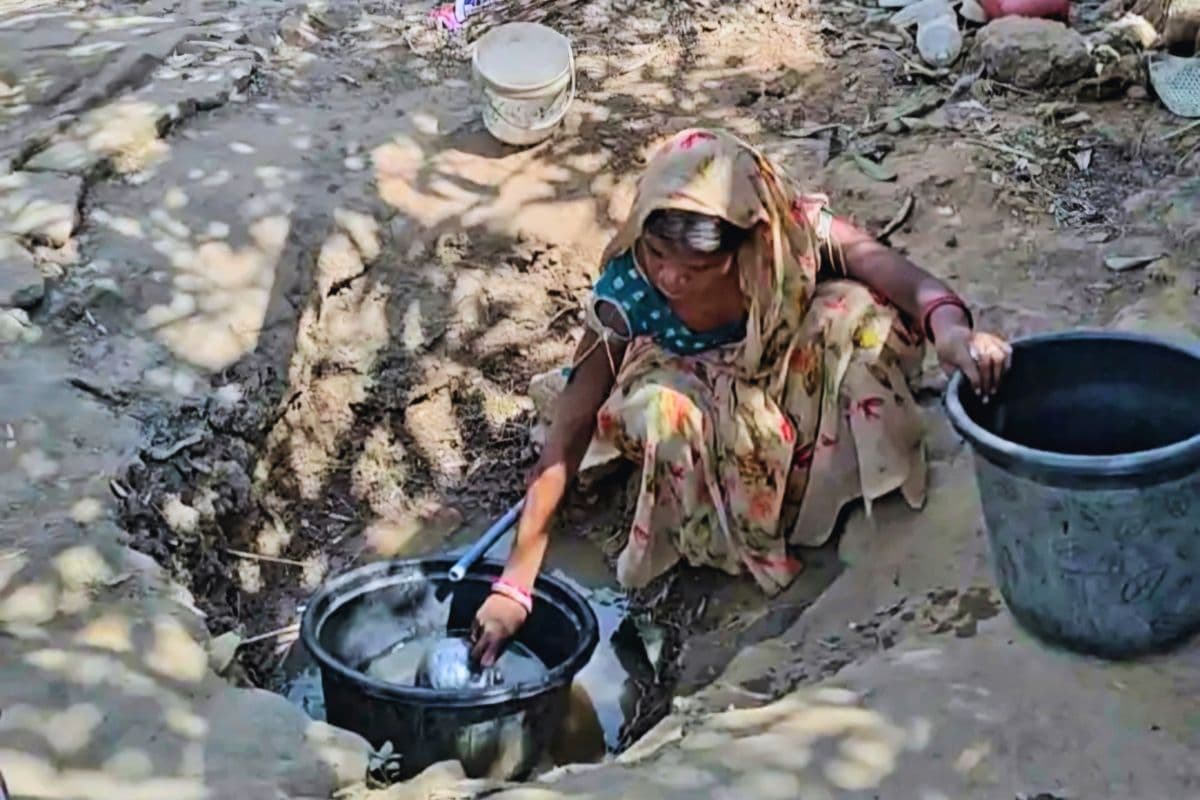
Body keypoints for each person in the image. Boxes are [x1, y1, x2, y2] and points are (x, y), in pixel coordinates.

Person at [470, 129, 1012, 666]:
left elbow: (907, 282)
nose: (671, 277)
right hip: (685, 378)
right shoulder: (629, 290)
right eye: (657, 253)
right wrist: (515, 583)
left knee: (855, 323)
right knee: (662, 414)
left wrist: (952, 333)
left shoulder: (786, 240)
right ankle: (721, 538)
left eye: (698, 267)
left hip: (783, 362)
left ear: (748, 240)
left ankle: (820, 510)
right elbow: (571, 425)